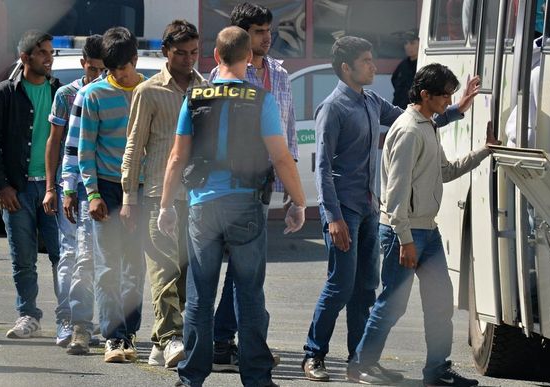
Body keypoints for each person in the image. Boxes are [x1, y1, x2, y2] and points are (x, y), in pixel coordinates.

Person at [302, 36, 478, 382]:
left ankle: (360, 359)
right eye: (366, 61)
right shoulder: (332, 108)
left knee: (366, 288)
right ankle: (313, 355)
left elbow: (413, 119)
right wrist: (332, 216)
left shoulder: (370, 101)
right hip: (344, 211)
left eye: (371, 58)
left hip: (369, 208)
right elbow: (321, 168)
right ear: (346, 68)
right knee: (340, 285)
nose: (373, 65)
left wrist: (456, 110)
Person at [158, 25, 306, 387]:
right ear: (249, 58)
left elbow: (177, 157)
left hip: (202, 205)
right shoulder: (261, 99)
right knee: (250, 292)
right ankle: (257, 377)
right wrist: (298, 202)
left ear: (216, 57)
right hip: (246, 204)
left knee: (199, 295)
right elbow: (281, 157)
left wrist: (165, 206)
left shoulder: (194, 97)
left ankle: (191, 376)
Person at [348, 63, 499, 386]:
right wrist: (405, 239)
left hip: (426, 231)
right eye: (444, 95)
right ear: (425, 94)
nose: (449, 100)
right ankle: (361, 365)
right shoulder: (408, 130)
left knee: (440, 302)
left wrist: (486, 151)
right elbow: (395, 193)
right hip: (404, 233)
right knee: (392, 304)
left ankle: (437, 370)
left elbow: (444, 171)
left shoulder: (427, 125)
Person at [208, 2, 298, 372]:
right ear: (242, 36)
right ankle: (225, 341)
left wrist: (291, 188)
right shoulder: (221, 78)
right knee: (231, 268)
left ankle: (229, 340)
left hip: (263, 187)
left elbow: (288, 132)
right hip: (228, 188)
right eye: (259, 31)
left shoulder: (279, 75)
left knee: (248, 268)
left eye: (268, 29)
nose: (268, 36)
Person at [120, 19, 206, 368]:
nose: (189, 60)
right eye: (181, 53)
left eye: (194, 53)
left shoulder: (206, 88)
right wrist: (129, 198)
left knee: (187, 272)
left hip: (197, 196)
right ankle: (171, 338)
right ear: (165, 52)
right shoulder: (149, 91)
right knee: (163, 270)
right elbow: (133, 145)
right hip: (158, 194)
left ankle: (160, 342)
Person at [0, 30, 63, 339]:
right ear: (25, 57)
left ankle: (68, 316)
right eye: (42, 52)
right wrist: (3, 187)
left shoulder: (61, 92)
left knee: (63, 256)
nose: (48, 57)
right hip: (17, 190)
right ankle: (28, 315)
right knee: (23, 259)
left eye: (50, 52)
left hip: (53, 189)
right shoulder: (4, 94)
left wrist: (62, 187)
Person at [78, 26, 146, 363]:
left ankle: (130, 331)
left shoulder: (150, 90)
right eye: (111, 68)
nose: (118, 74)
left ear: (134, 59)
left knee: (135, 266)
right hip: (106, 187)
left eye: (123, 67)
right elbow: (85, 149)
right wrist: (91, 194)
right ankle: (113, 337)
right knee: (107, 267)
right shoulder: (94, 95)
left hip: (142, 188)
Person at [41, 34, 105, 351]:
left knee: (97, 258)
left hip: (102, 189)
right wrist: (53, 187)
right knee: (70, 255)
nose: (96, 76)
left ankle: (92, 323)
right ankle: (66, 320)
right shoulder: (67, 95)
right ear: (83, 65)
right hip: (73, 188)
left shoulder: (110, 94)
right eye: (91, 69)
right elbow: (55, 143)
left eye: (102, 70)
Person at [391, 29, 419, 109]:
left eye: (412, 43)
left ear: (421, 43)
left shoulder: (424, 65)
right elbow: (394, 79)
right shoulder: (403, 65)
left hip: (414, 111)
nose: (408, 46)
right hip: (398, 108)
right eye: (406, 43)